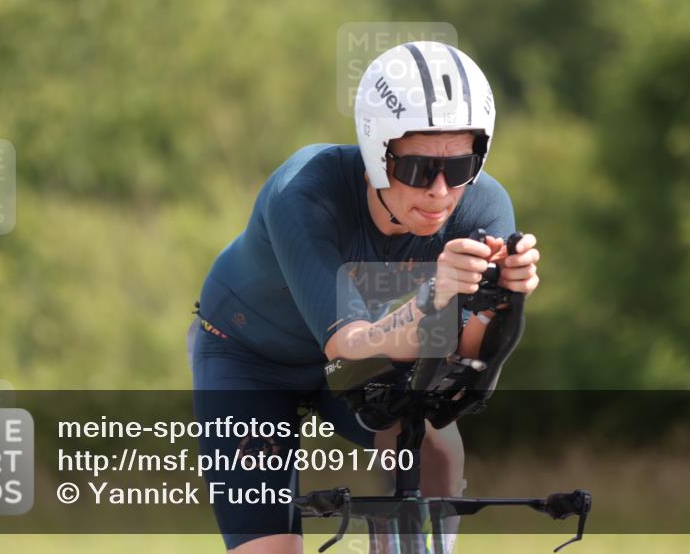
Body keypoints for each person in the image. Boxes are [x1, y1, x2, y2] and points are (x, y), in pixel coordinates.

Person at [189, 41, 540, 553]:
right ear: (379, 154)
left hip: (369, 352)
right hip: (251, 357)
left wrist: (505, 300)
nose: (441, 191)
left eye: (461, 166)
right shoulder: (303, 191)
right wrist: (430, 299)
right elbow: (347, 344)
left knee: (434, 433)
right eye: (418, 169)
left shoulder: (484, 206)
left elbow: (464, 355)